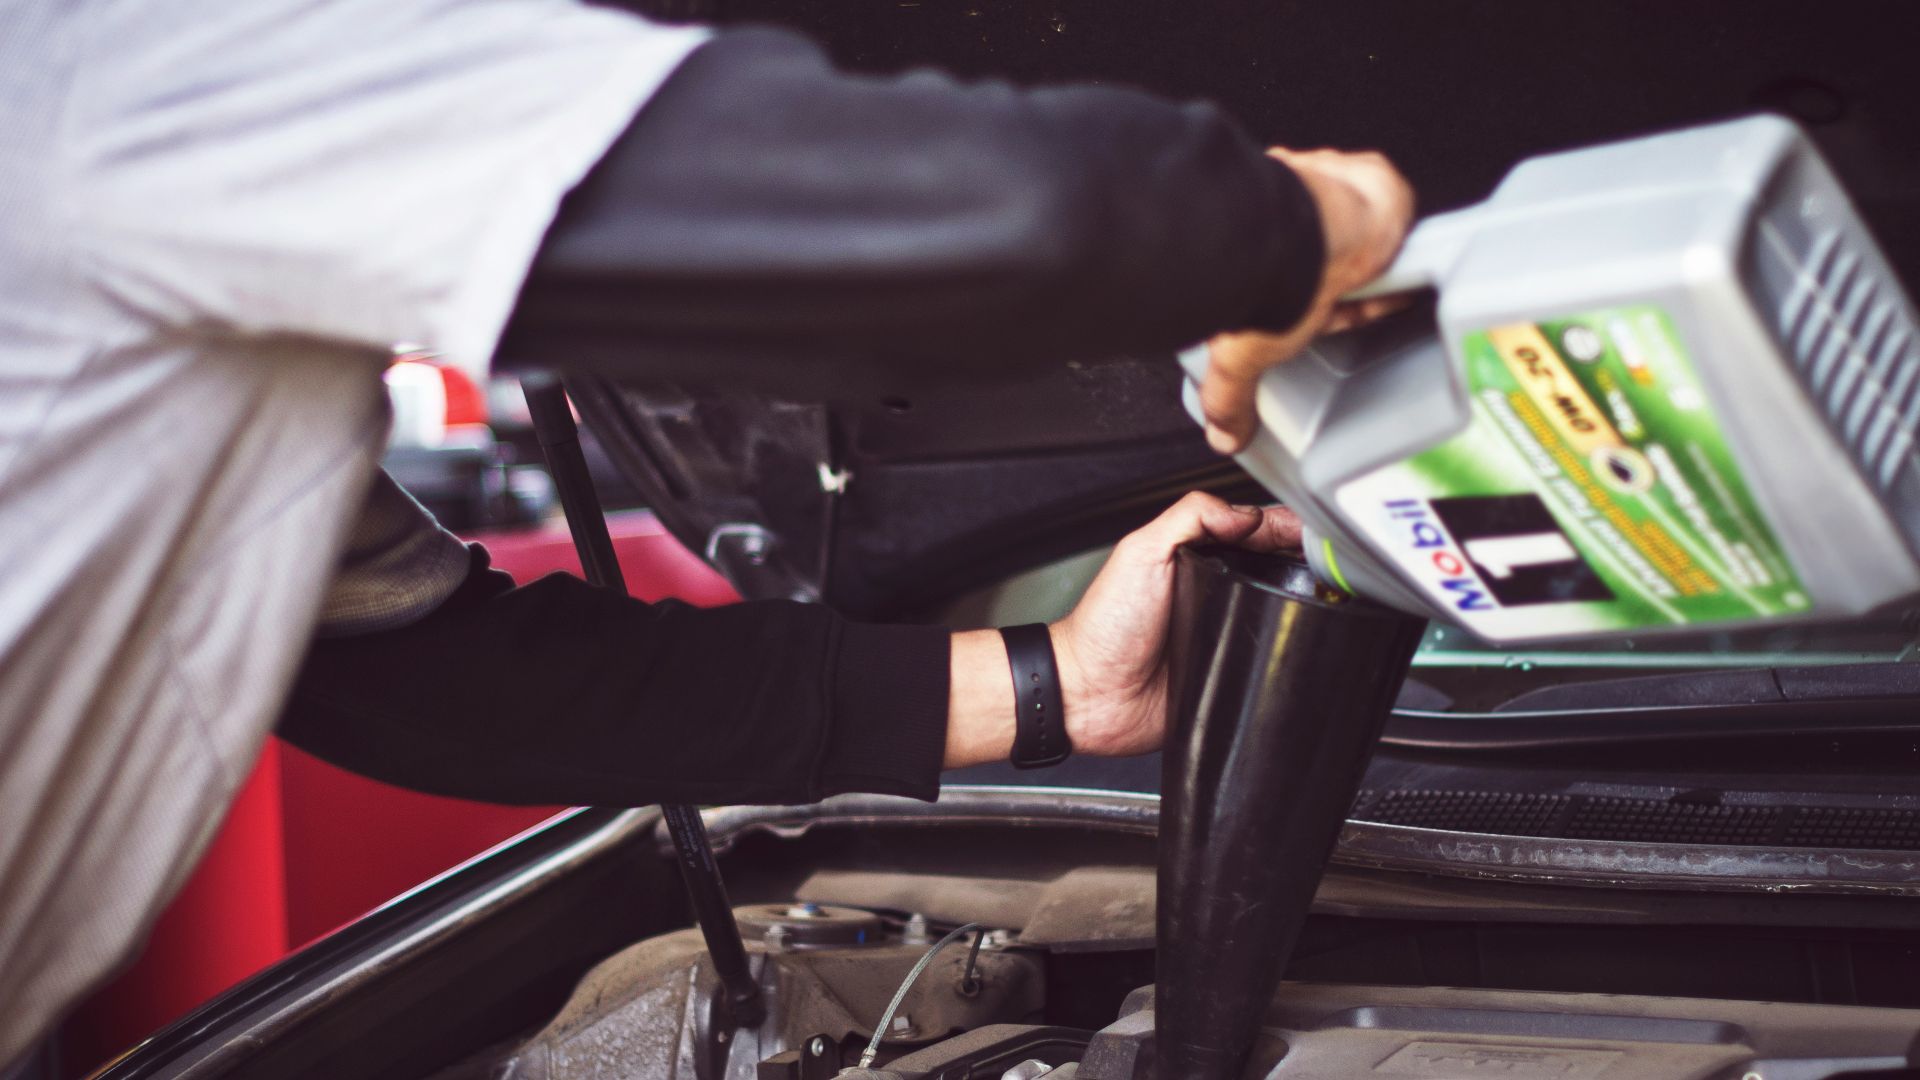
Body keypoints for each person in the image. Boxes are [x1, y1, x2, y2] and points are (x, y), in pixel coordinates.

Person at [0, 0, 1412, 1067]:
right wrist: (1314, 221)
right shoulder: (114, 70)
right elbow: (979, 210)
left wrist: (1053, 685)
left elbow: (423, 677)